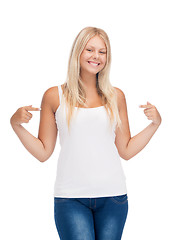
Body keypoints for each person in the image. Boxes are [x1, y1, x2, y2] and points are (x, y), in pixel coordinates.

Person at [10, 26, 162, 240]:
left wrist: (154, 124)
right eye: (90, 49)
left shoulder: (116, 96)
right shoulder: (55, 96)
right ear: (78, 52)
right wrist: (16, 124)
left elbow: (126, 150)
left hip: (113, 197)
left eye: (102, 51)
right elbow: (43, 152)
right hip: (70, 199)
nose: (96, 56)